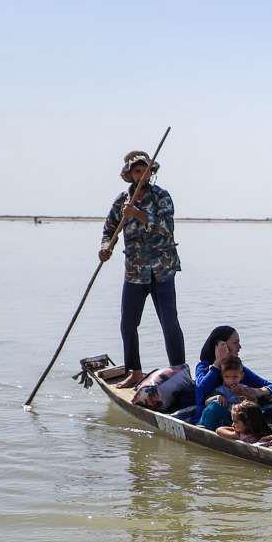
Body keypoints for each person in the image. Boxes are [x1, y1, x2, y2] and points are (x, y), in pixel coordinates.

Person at [99, 150, 186, 388]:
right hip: (135, 272)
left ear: (151, 173)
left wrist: (139, 215)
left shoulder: (161, 197)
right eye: (137, 171)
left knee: (169, 322)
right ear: (130, 174)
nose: (142, 174)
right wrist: (106, 247)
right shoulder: (121, 201)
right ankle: (134, 372)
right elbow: (109, 230)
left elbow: (167, 229)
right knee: (128, 323)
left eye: (146, 170)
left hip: (162, 269)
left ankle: (179, 371)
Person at [193, 326, 272, 426]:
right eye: (235, 343)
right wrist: (217, 364)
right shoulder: (204, 366)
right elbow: (200, 393)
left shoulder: (237, 369)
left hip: (235, 417)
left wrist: (256, 392)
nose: (239, 347)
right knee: (216, 407)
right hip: (209, 420)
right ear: (222, 345)